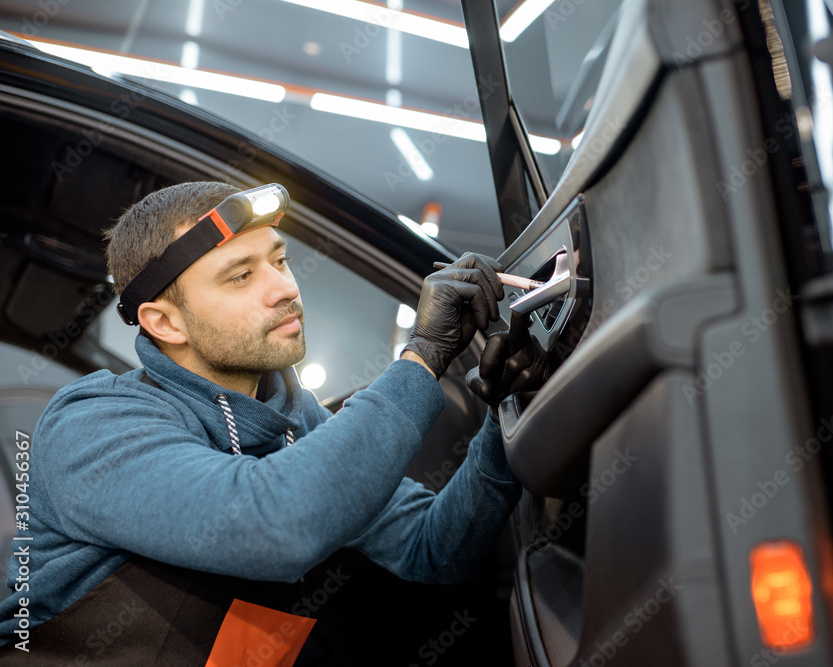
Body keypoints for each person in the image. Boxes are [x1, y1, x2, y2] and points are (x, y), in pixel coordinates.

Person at [0, 181, 546, 663]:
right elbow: (276, 527)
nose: (285, 288)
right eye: (240, 276)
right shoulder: (92, 425)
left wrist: (505, 413)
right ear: (165, 322)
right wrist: (423, 357)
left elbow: (435, 548)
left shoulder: (291, 416)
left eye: (279, 260)